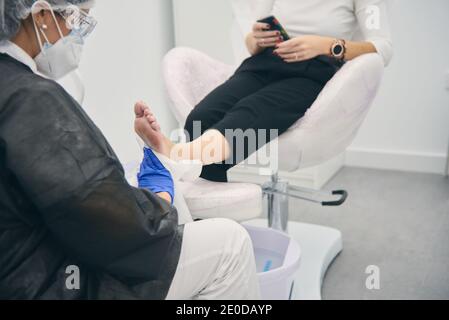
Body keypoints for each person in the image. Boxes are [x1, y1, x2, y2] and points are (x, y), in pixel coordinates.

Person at [0, 0, 260, 300]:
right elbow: (114, 224)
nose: (78, 34)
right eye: (78, 19)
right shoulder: (32, 100)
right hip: (50, 282)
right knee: (230, 245)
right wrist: (158, 199)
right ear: (43, 15)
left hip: (21, 264)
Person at [135, 0, 393, 183]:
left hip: (313, 72)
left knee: (247, 115)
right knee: (201, 117)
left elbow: (382, 47)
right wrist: (256, 39)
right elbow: (251, 37)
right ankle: (212, 223)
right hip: (263, 62)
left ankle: (178, 153)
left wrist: (327, 45)